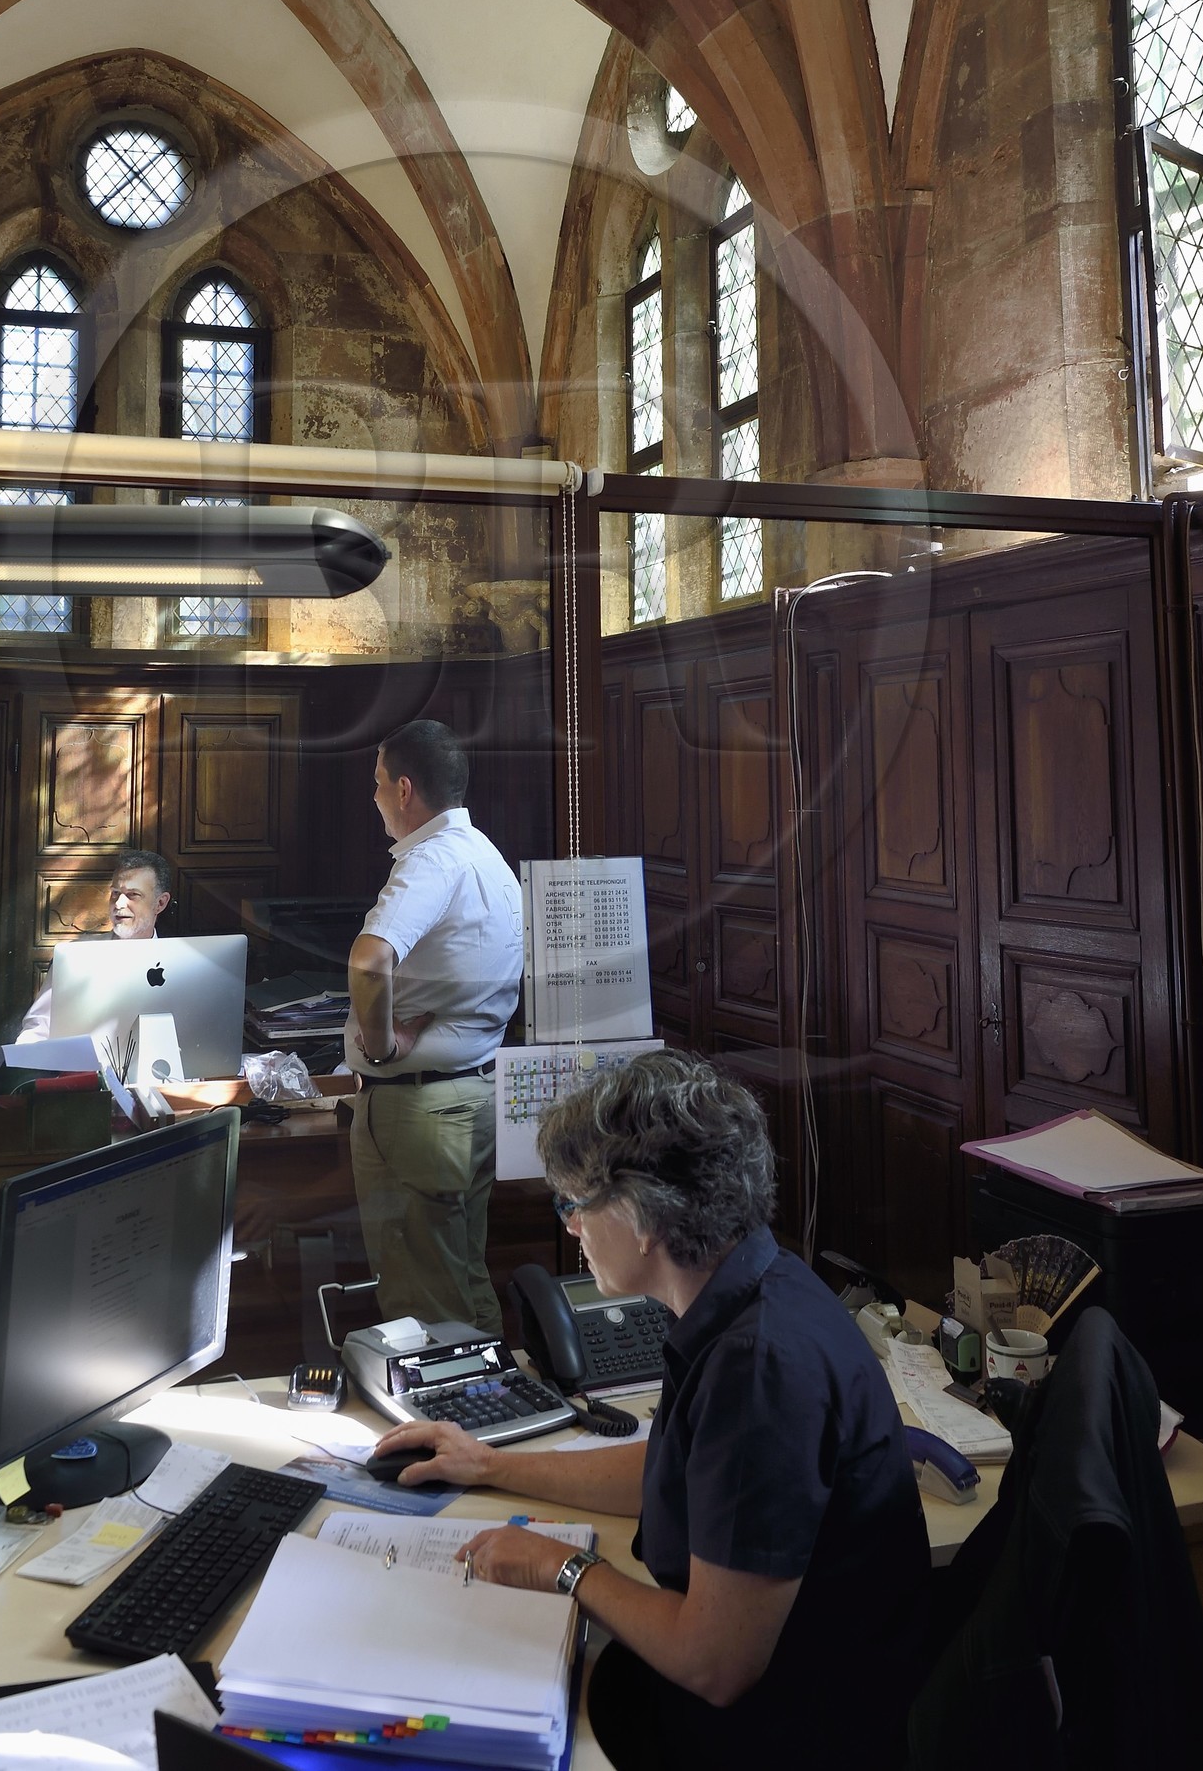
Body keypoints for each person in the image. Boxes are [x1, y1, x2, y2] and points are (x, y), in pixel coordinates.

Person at [371, 1052, 931, 1771]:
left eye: (574, 1203)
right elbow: (678, 1469)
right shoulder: (756, 1284)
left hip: (788, 1734)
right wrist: (491, 1464)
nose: (570, 1226)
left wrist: (563, 1567)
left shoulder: (758, 1366)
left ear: (639, 1215)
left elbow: (714, 1663)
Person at [344, 719, 522, 1334]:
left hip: (416, 1109)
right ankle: (492, 1414)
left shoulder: (431, 861)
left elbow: (369, 960)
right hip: (472, 1094)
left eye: (376, 785)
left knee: (424, 1299)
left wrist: (383, 1043)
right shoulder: (487, 856)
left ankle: (449, 1423)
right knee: (464, 1278)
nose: (372, 801)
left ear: (403, 789)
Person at [14, 846, 174, 1042]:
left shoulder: (182, 964)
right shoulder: (76, 957)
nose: (119, 904)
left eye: (132, 894)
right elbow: (38, 1028)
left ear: (160, 903)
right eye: (115, 893)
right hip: (85, 1071)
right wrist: (22, 1066)